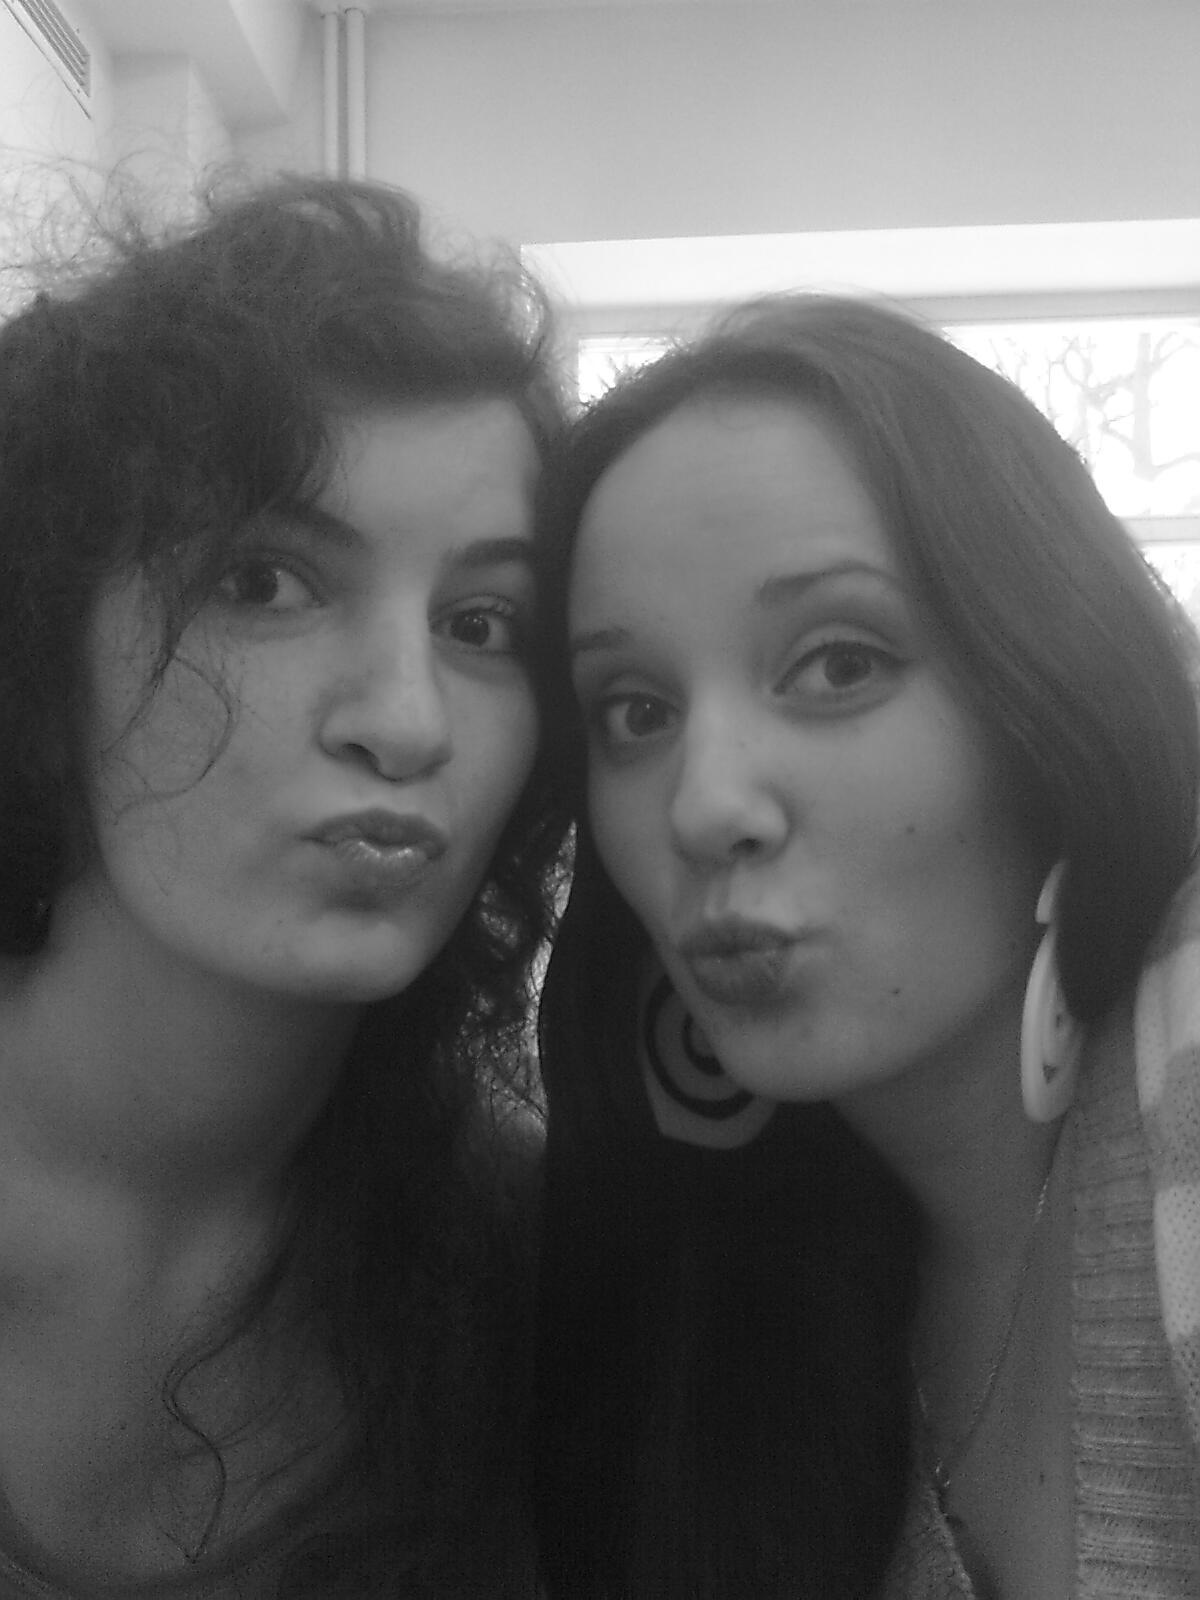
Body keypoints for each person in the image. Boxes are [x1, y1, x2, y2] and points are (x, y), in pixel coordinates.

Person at [532, 293, 1200, 1598]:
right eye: (637, 709)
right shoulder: (714, 1289)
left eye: (838, 664)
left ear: (1048, 687)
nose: (705, 805)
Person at [0, 172, 567, 1595]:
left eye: (482, 622)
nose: (406, 722)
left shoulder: (537, 1278)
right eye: (263, 584)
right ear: (41, 638)